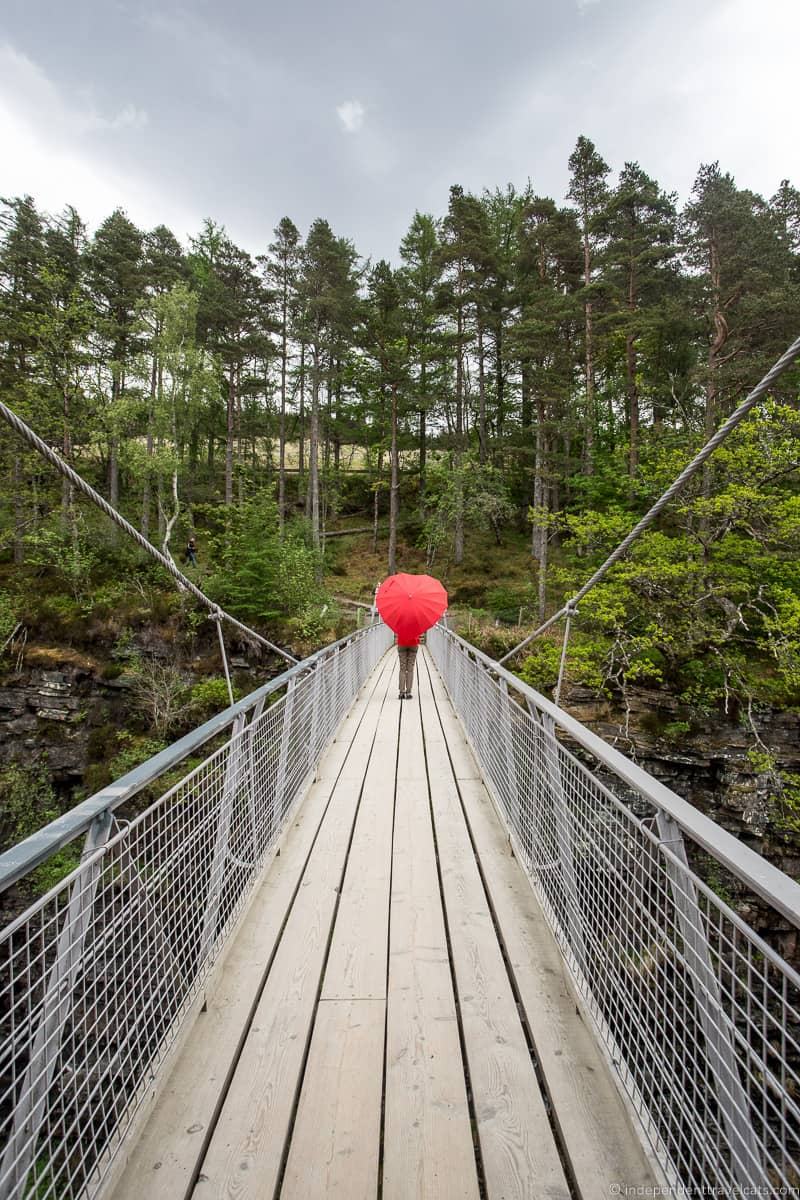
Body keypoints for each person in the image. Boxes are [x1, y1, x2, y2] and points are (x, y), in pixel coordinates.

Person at [397, 632, 420, 699]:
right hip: (413, 643)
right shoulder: (416, 622)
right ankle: (408, 692)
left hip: (402, 642)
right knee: (410, 669)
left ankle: (401, 693)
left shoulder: (400, 621)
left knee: (402, 668)